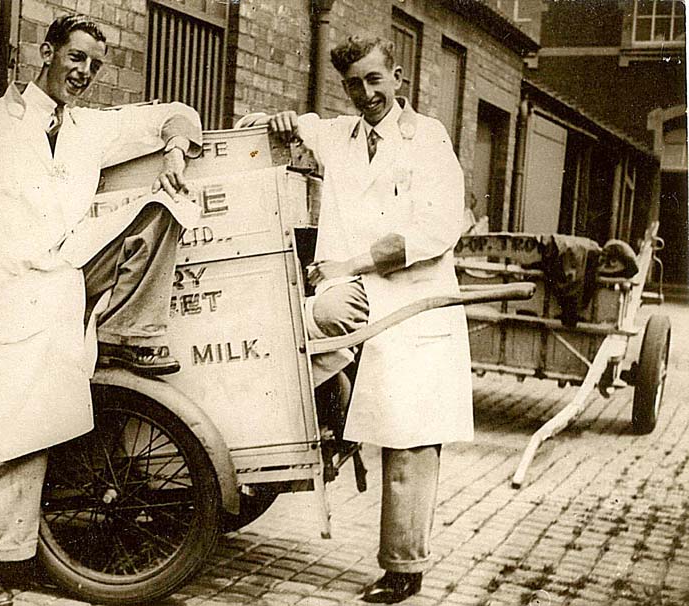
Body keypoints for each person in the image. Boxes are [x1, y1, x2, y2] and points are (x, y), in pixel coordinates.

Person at [0, 13, 202, 606]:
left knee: (165, 210)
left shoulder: (91, 128)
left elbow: (176, 113)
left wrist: (176, 152)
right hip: (7, 292)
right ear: (46, 51)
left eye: (94, 64)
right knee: (10, 433)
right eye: (76, 57)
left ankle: (125, 331)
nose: (83, 72)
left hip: (65, 282)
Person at [260, 36, 472, 604]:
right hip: (354, 297)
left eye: (375, 80)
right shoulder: (340, 136)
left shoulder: (427, 138)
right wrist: (278, 120)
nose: (366, 93)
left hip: (412, 302)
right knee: (299, 332)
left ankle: (404, 570)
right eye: (354, 84)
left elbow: (438, 226)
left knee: (409, 441)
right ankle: (331, 415)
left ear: (397, 76)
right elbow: (280, 124)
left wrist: (349, 262)